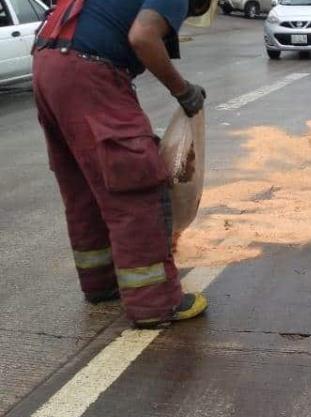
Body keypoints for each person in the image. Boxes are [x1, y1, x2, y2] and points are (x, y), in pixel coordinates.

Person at [32, 0, 211, 328]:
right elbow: (143, 37)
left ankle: (100, 283)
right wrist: (182, 91)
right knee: (134, 184)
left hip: (48, 64)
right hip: (87, 70)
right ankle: (155, 303)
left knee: (84, 186)